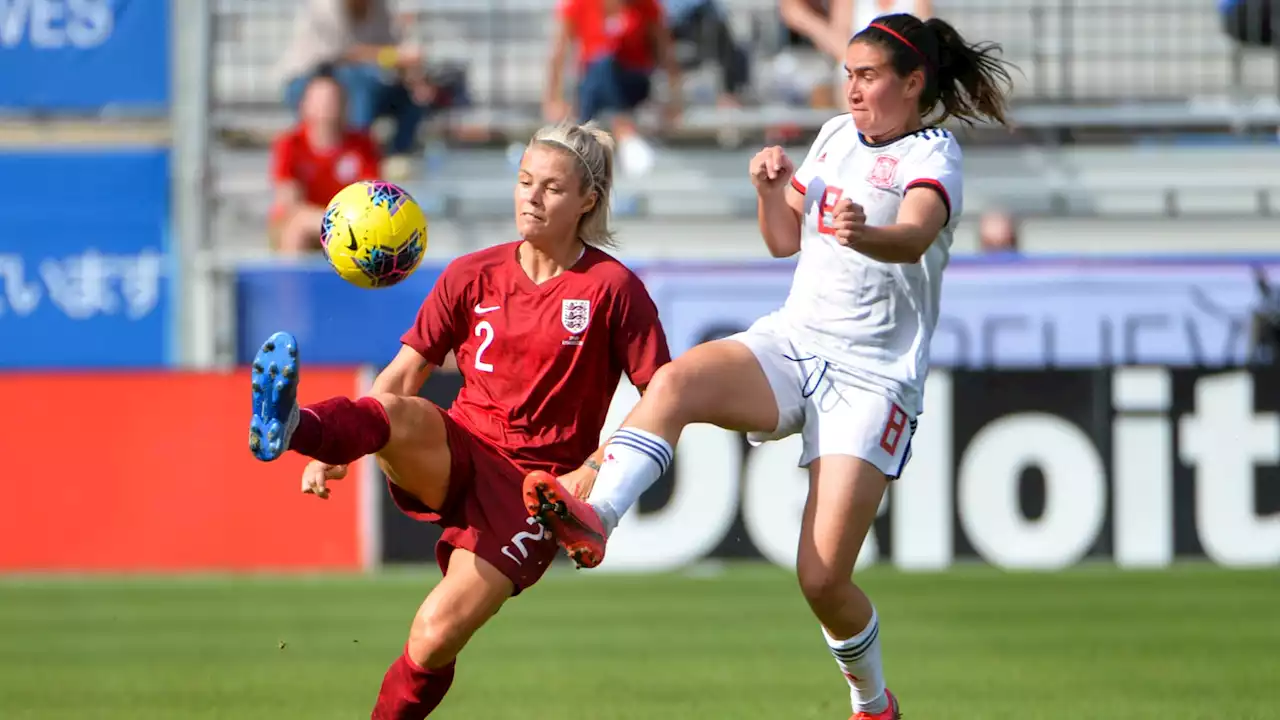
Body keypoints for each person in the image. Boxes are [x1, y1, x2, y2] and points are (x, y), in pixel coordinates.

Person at [525, 13, 1013, 720]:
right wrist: (767, 188)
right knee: (678, 380)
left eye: (868, 76)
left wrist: (862, 232)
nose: (851, 89)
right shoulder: (836, 135)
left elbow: (911, 238)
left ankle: (873, 702)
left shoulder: (933, 154)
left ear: (913, 83)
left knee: (820, 578)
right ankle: (599, 514)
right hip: (793, 342)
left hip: (871, 382)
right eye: (847, 74)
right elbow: (784, 240)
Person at [247, 122, 671, 719]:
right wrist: (332, 447)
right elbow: (401, 374)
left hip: (531, 492)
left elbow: (664, 396)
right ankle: (294, 427)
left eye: (551, 188)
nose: (531, 197)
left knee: (432, 635)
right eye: (525, 182)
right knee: (395, 411)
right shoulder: (471, 275)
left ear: (587, 201)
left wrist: (597, 466)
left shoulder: (613, 289)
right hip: (461, 446)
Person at [276, 0, 435, 175]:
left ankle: (396, 155)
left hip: (358, 82)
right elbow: (344, 53)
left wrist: (415, 80)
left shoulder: (378, 7)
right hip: (309, 79)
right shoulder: (325, 6)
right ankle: (358, 156)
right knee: (361, 84)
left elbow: (392, 50)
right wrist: (393, 56)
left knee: (414, 96)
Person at [544, 0, 684, 177]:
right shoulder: (577, 4)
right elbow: (559, 53)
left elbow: (665, 52)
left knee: (605, 64)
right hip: (593, 86)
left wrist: (675, 100)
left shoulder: (646, 5)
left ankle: (595, 133)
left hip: (632, 83)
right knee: (601, 65)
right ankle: (623, 131)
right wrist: (553, 100)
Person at [269, 69, 382, 254]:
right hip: (305, 223)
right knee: (299, 225)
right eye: (319, 99)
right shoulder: (290, 143)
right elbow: (289, 201)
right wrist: (334, 221)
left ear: (344, 104)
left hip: (351, 225)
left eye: (332, 99)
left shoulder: (363, 145)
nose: (326, 106)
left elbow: (371, 196)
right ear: (305, 104)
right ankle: (290, 281)